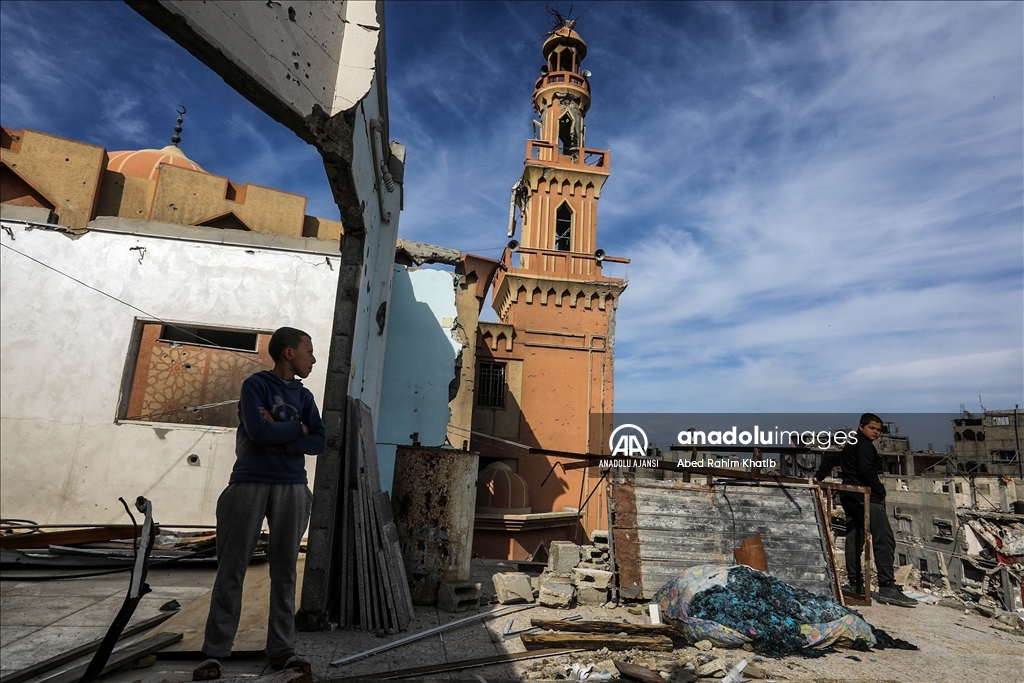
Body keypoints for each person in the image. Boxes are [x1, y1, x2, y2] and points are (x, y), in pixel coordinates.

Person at [194, 327, 327, 680]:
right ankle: (215, 651)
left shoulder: (306, 396)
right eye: (308, 351)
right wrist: (296, 431)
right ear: (288, 353)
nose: (312, 359)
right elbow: (257, 431)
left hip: (292, 487)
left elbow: (319, 441)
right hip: (249, 482)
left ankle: (282, 650)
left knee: (284, 571)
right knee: (232, 569)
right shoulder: (256, 386)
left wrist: (289, 435)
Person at [829, 413, 916, 607]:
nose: (876, 433)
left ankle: (856, 585)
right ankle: (887, 587)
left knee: (855, 538)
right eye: (872, 428)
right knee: (883, 539)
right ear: (861, 427)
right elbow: (866, 470)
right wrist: (879, 489)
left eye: (878, 430)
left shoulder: (851, 443)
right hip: (864, 497)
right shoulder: (864, 446)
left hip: (850, 495)